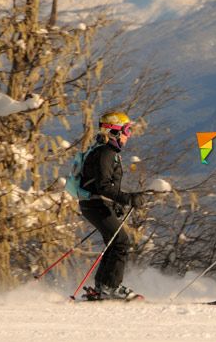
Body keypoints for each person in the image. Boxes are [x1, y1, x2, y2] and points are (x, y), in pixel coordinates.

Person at [78, 111, 146, 300]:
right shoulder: (105, 153)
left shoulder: (106, 151)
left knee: (114, 241)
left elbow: (101, 185)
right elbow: (103, 186)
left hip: (95, 204)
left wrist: (116, 203)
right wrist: (128, 198)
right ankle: (111, 287)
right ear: (113, 132)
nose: (128, 135)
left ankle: (103, 286)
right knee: (121, 242)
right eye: (126, 131)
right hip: (95, 204)